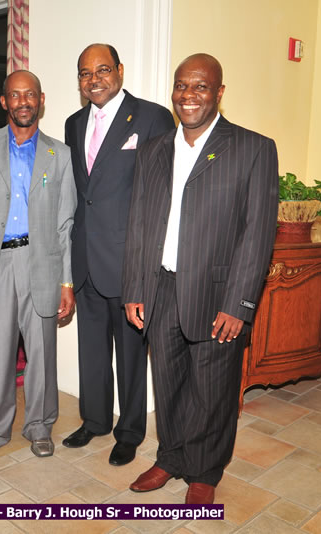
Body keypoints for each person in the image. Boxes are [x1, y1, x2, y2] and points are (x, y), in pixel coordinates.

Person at [122, 54, 279, 504]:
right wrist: (134, 287)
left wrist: (240, 303)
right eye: (181, 86)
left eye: (200, 87)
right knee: (167, 380)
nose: (188, 96)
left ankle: (205, 470)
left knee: (212, 388)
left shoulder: (253, 148)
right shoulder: (154, 149)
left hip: (218, 292)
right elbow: (140, 223)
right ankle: (171, 456)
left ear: (219, 93)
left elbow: (258, 233)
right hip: (160, 287)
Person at [62, 44, 174, 466]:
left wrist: (147, 269)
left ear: (120, 71)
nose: (94, 79)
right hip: (86, 260)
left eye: (103, 70)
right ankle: (94, 420)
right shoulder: (73, 123)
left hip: (129, 264)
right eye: (85, 73)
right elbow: (81, 195)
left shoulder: (152, 117)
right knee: (91, 348)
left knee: (130, 354)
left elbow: (161, 197)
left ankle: (129, 431)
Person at [0, 70, 76, 463]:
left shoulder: (59, 154)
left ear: (41, 100)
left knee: (42, 351)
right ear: (4, 102)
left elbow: (65, 222)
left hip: (41, 263)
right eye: (15, 95)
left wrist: (66, 281)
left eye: (30, 95)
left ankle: (40, 425)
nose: (23, 102)